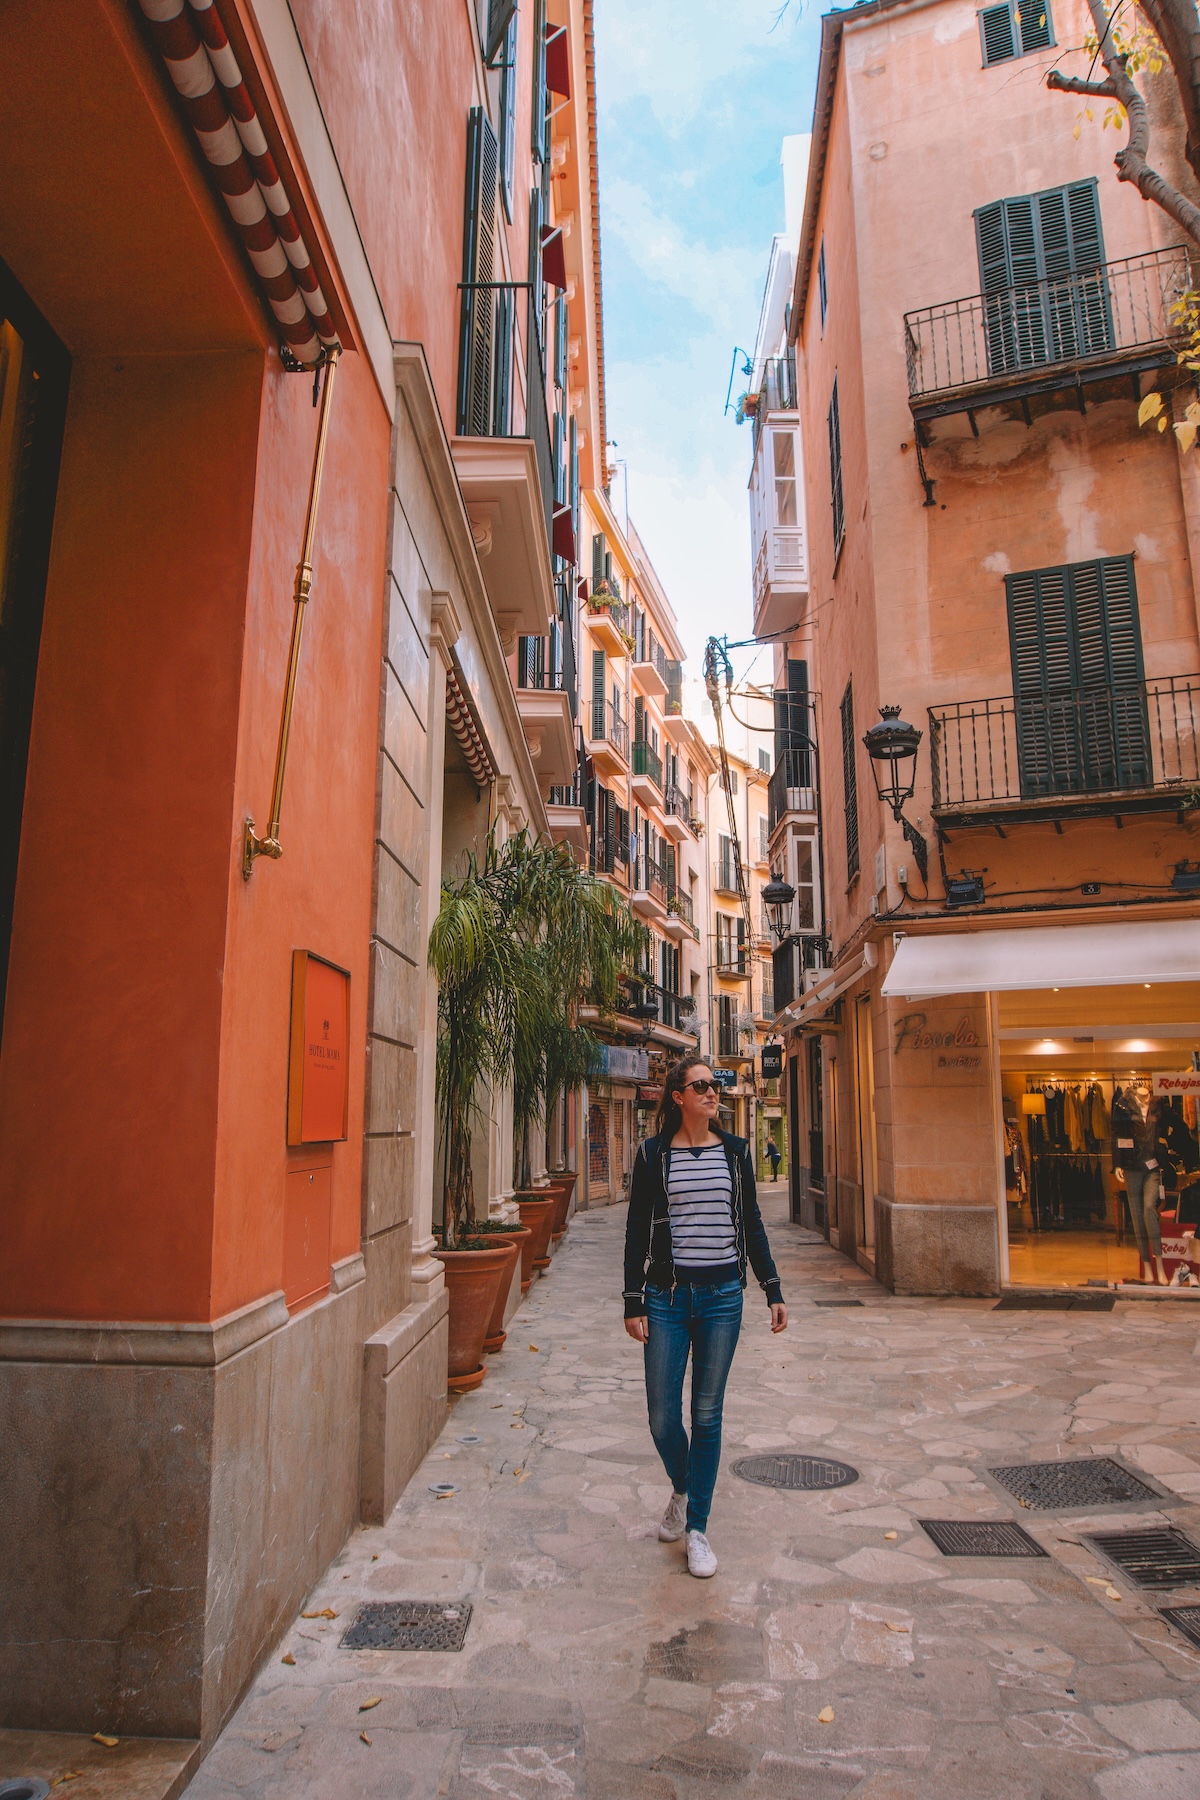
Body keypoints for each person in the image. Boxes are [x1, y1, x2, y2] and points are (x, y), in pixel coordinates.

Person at [623, 1056, 787, 1579]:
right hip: (667, 1298)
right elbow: (635, 1232)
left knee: (708, 1414)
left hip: (722, 1298)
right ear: (678, 1096)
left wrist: (772, 1287)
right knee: (661, 1416)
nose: (712, 1092)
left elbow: (752, 1223)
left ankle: (697, 1527)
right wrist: (632, 1300)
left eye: (714, 1085)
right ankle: (683, 1487)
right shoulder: (652, 1155)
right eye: (701, 1086)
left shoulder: (737, 1153)